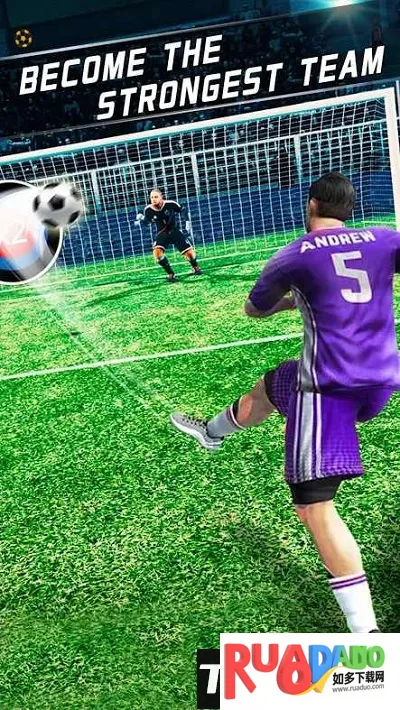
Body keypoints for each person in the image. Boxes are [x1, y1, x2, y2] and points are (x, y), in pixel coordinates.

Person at [171, 171, 400, 633]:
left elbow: (253, 308)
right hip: (380, 382)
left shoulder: (294, 253)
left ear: (312, 204)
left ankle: (367, 633)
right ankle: (211, 432)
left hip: (327, 389)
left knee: (313, 507)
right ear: (350, 208)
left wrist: (292, 301)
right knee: (274, 383)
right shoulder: (385, 237)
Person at [135, 188, 202, 282]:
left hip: (175, 231)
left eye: (156, 197)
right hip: (162, 234)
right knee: (157, 254)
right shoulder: (148, 209)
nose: (153, 199)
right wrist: (141, 220)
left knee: (190, 254)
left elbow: (183, 209)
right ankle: (171, 274)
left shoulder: (170, 204)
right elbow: (147, 222)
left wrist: (187, 221)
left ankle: (196, 268)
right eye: (152, 197)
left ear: (161, 197)